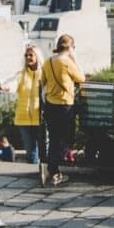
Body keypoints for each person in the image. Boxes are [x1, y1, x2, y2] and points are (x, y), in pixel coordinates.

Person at [40, 34, 87, 186]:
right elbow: (81, 78)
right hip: (65, 105)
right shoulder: (66, 62)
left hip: (50, 105)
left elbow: (43, 82)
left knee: (54, 139)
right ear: (70, 48)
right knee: (68, 139)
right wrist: (74, 59)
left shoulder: (48, 62)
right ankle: (52, 168)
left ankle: (52, 170)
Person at [10, 45, 42, 165]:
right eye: (26, 55)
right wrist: (7, 87)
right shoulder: (21, 74)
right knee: (31, 152)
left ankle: (45, 174)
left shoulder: (44, 73)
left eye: (31, 55)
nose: (28, 57)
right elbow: (13, 85)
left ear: (37, 57)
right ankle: (33, 175)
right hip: (23, 118)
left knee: (44, 149)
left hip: (40, 117)